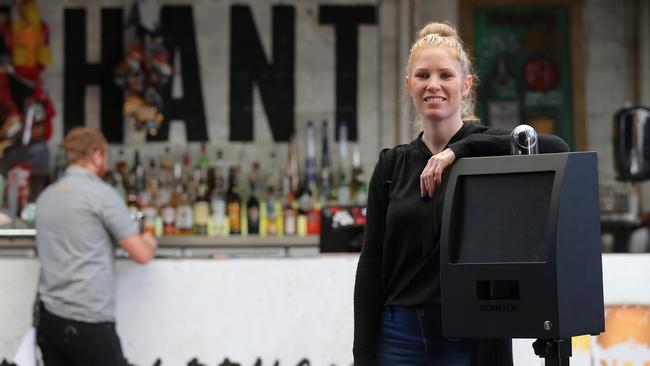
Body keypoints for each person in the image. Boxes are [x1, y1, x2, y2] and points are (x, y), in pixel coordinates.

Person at [353, 22, 569, 366]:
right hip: (399, 335)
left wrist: (461, 149)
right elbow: (371, 266)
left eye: (445, 75)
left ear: (466, 85)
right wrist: (362, 354)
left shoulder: (487, 151)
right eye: (422, 75)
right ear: (409, 85)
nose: (433, 85)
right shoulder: (391, 166)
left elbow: (557, 147)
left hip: (471, 335)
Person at [34, 127, 158, 366]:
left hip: (50, 320)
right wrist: (150, 242)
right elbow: (141, 254)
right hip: (89, 321)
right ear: (97, 154)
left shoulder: (46, 196)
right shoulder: (101, 194)